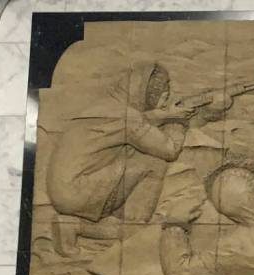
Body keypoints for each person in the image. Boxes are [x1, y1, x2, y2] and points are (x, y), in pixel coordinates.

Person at [46, 60, 195, 256]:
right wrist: (178, 122)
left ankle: (76, 224)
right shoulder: (129, 117)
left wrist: (165, 114)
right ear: (147, 95)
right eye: (162, 97)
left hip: (65, 189)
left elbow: (139, 121)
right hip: (78, 191)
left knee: (134, 153)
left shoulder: (108, 107)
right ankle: (131, 229)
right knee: (154, 163)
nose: (165, 102)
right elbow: (169, 150)